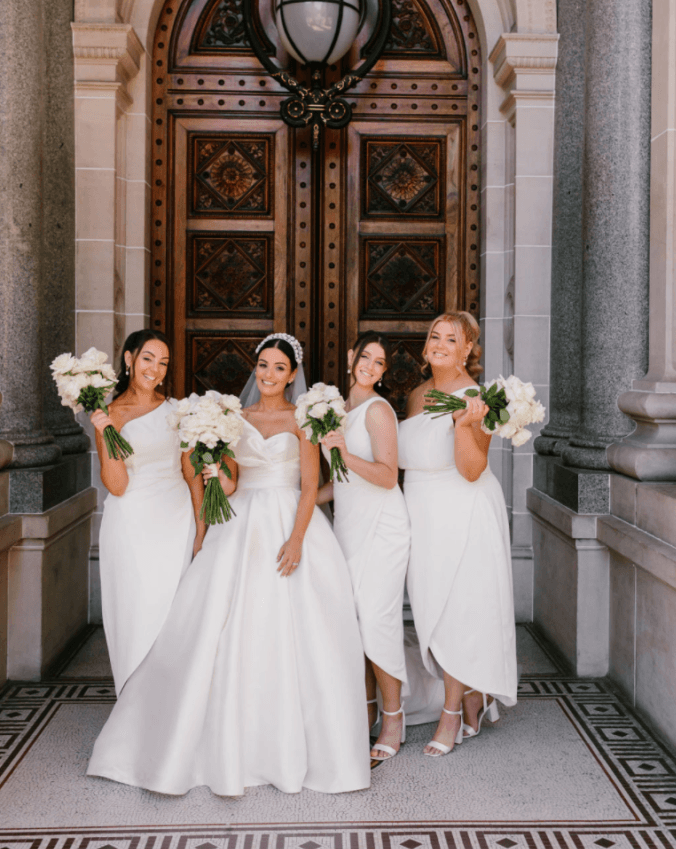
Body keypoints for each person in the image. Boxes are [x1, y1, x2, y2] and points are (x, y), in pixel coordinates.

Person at [87, 334, 370, 797]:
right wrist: (216, 471)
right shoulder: (234, 417)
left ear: (292, 376)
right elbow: (233, 484)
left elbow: (309, 486)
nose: (269, 374)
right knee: (221, 624)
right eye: (263, 365)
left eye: (279, 368)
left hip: (289, 522)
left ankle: (296, 746)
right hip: (241, 522)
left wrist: (297, 539)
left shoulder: (304, 418)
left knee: (298, 630)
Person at [398, 312, 517, 757]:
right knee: (430, 607)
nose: (440, 343)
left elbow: (471, 470)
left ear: (468, 349)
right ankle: (471, 695)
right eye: (435, 335)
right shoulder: (416, 395)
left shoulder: (477, 398)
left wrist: (465, 425)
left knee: (458, 611)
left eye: (452, 338)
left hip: (463, 508)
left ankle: (451, 712)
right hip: (421, 511)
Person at [318, 333, 410, 766]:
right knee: (354, 623)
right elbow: (338, 483)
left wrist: (341, 452)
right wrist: (297, 500)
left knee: (377, 620)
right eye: (365, 357)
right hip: (350, 526)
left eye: (379, 362)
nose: (370, 366)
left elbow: (388, 476)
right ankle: (366, 712)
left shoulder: (377, 410)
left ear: (384, 372)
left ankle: (394, 720)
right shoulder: (336, 411)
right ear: (351, 357)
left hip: (383, 527)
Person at [90, 329, 197, 695]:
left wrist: (201, 530)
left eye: (163, 362)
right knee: (136, 613)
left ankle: (171, 704)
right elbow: (117, 485)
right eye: (148, 358)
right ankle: (134, 702)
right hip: (131, 526)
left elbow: (190, 472)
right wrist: (105, 433)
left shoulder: (177, 411)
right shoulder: (109, 415)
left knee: (174, 616)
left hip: (176, 521)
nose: (155, 368)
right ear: (129, 359)